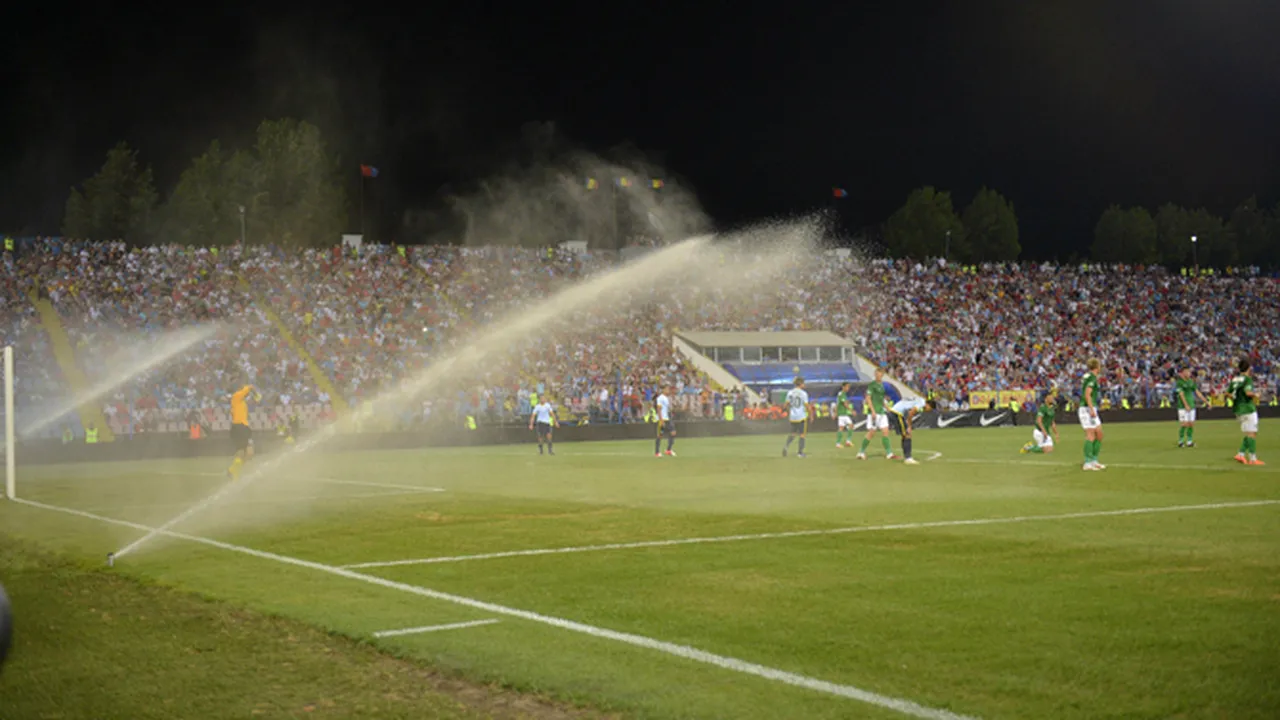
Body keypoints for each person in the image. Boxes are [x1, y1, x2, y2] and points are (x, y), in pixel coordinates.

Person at [1228, 359, 1264, 465]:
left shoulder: (1234, 379)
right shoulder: (1247, 379)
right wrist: (1256, 395)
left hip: (1238, 410)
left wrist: (1235, 399)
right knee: (1252, 433)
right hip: (1248, 409)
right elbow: (1248, 392)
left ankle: (1241, 454)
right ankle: (1253, 459)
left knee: (1249, 433)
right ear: (1248, 368)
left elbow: (1227, 393)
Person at [857, 368, 895, 460]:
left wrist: (887, 408)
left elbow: (881, 399)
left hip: (882, 412)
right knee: (871, 433)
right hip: (874, 413)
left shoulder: (882, 385)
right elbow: (868, 398)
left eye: (879, 374)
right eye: (876, 374)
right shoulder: (872, 385)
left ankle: (889, 453)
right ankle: (861, 452)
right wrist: (873, 411)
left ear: (882, 375)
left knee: (885, 431)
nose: (878, 375)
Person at [227, 381, 259, 481]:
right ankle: (233, 472)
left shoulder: (239, 401)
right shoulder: (236, 396)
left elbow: (250, 399)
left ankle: (233, 470)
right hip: (239, 427)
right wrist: (251, 388)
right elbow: (249, 388)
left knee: (249, 452)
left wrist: (254, 397)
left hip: (243, 427)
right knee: (241, 452)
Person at [887, 396, 933, 464]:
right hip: (897, 413)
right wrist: (909, 426)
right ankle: (908, 458)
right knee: (907, 435)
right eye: (930, 409)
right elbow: (911, 413)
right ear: (929, 405)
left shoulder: (920, 399)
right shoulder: (922, 403)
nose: (928, 410)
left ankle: (906, 456)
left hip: (895, 412)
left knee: (905, 435)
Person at [1078, 358, 1105, 471]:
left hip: (1091, 407)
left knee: (1099, 434)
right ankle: (1087, 462)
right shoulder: (1092, 378)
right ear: (1097, 366)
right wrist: (1091, 409)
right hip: (1086, 409)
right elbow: (1087, 394)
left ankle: (1094, 460)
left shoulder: (1088, 376)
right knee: (1090, 435)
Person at [1174, 367, 1209, 448]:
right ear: (1182, 373)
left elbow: (1197, 392)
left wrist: (1206, 402)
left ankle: (1189, 441)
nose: (1189, 373)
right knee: (1184, 424)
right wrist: (1186, 405)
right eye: (1187, 371)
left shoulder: (1191, 382)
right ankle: (1181, 441)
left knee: (1191, 424)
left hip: (1192, 405)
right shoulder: (1179, 383)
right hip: (1183, 406)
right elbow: (1181, 394)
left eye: (1189, 372)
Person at [1022, 388, 1059, 454]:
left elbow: (1052, 422)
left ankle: (1031, 447)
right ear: (1046, 398)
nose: (1052, 397)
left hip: (1046, 432)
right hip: (1039, 432)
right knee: (1047, 450)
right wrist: (1044, 431)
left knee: (1050, 449)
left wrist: (1056, 433)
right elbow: (1039, 421)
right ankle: (1028, 447)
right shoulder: (1042, 408)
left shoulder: (1052, 408)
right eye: (1050, 395)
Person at [782, 377, 812, 457]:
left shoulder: (790, 392)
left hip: (793, 416)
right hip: (801, 416)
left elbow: (785, 405)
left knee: (793, 433)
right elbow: (807, 406)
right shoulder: (803, 393)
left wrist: (787, 411)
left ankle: (786, 446)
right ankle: (800, 453)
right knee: (802, 434)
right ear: (801, 384)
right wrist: (811, 414)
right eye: (803, 383)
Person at [654, 385, 677, 457]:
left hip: (667, 418)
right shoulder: (660, 398)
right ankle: (657, 452)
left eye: (668, 389)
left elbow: (666, 409)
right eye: (667, 389)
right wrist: (661, 420)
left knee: (673, 432)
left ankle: (668, 450)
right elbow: (658, 409)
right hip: (662, 419)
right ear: (663, 390)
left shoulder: (666, 398)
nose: (668, 391)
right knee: (660, 435)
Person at [834, 382, 856, 448]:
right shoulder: (842, 394)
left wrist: (835, 412)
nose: (848, 388)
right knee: (846, 426)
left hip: (842, 413)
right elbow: (845, 404)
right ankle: (843, 443)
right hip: (842, 413)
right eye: (847, 387)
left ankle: (845, 442)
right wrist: (852, 411)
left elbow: (839, 403)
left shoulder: (842, 394)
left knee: (848, 426)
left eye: (848, 387)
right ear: (843, 387)